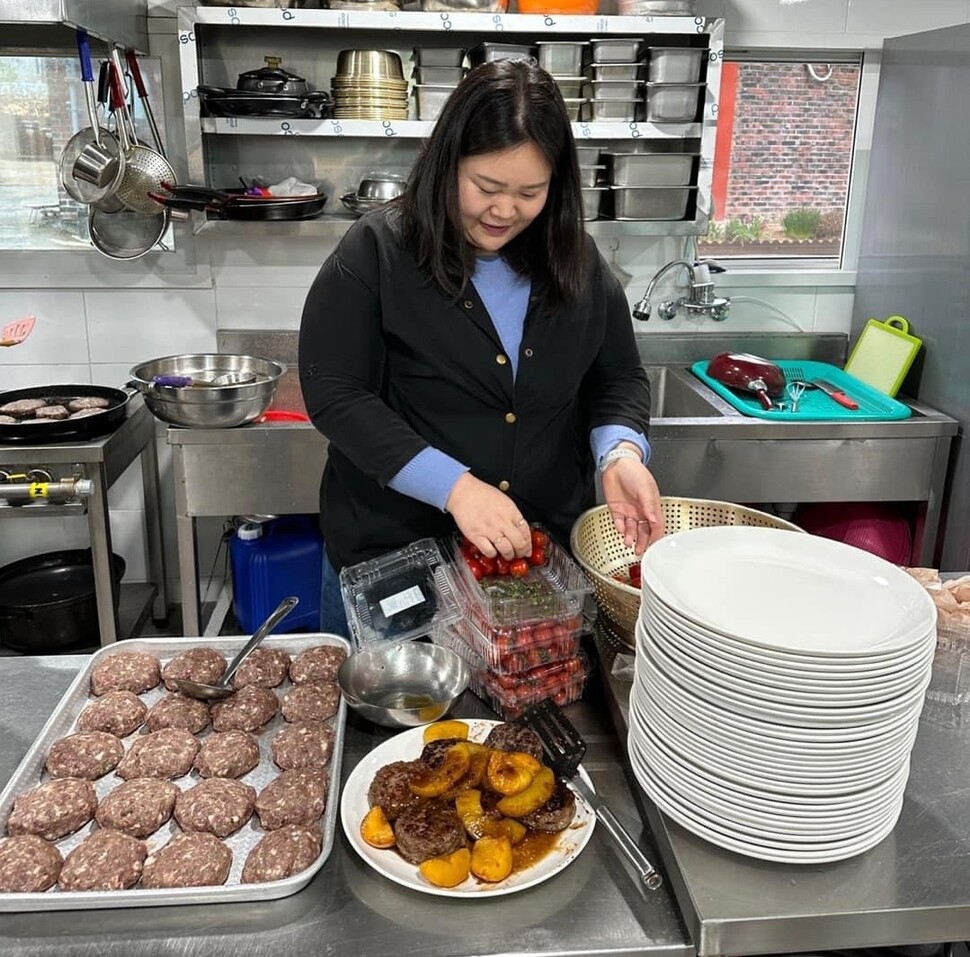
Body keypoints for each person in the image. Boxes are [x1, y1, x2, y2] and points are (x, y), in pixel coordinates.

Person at [299, 57, 664, 638]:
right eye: (487, 187)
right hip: (396, 562)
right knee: (397, 726)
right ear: (448, 165)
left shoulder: (577, 262)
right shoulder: (379, 251)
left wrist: (619, 454)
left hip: (534, 565)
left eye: (529, 192)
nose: (504, 211)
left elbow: (617, 375)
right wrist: (455, 487)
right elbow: (336, 392)